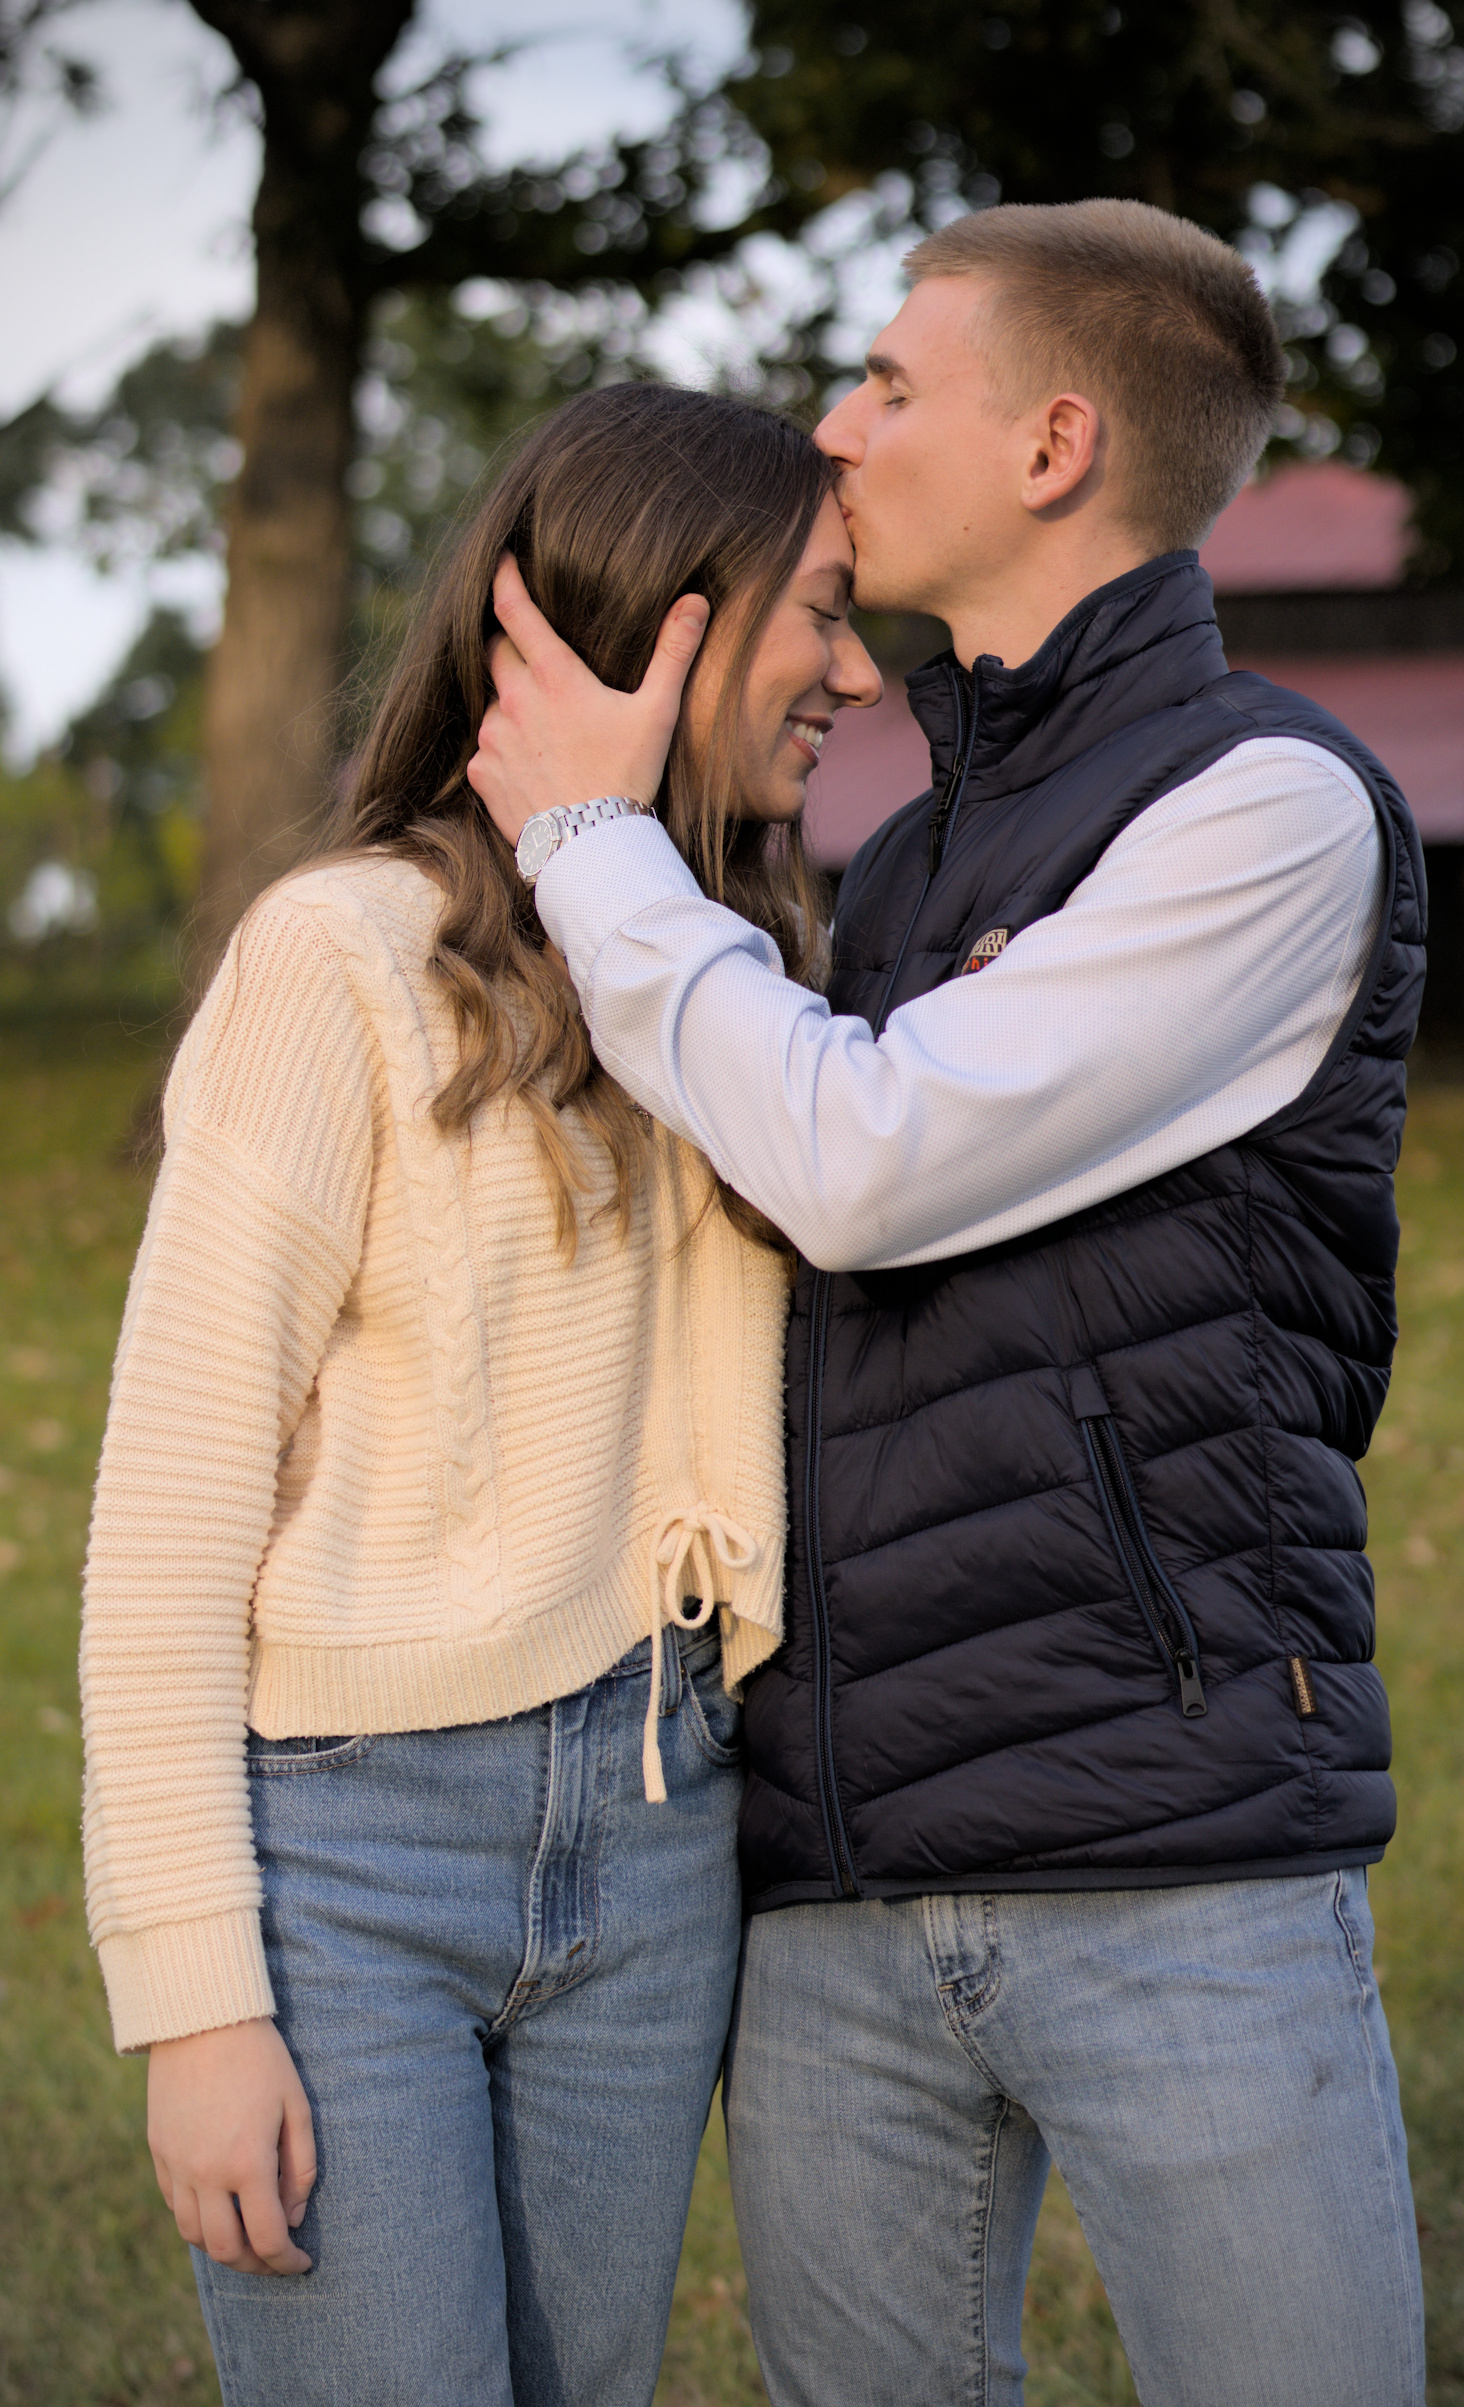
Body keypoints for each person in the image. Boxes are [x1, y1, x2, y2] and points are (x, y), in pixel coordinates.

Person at [468, 201, 1429, 2406]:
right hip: (834, 1873)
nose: (835, 425)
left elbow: (864, 1159)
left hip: (1168, 1847)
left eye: (891, 383)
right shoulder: (886, 868)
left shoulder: (1266, 810)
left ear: (1053, 443)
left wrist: (590, 844)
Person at [77, 382, 879, 2407]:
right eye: (821, 612)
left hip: (657, 1823)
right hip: (349, 1857)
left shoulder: (728, 977)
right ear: (675, 622)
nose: (858, 674)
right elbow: (169, 1510)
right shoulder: (337, 957)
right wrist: (196, 2001)